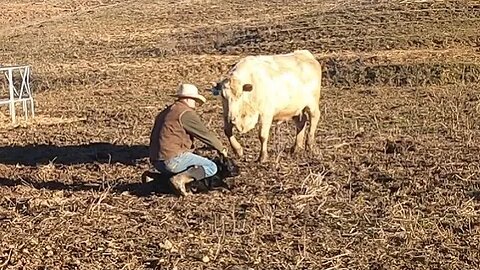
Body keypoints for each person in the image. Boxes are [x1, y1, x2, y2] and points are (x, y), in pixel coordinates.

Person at [148, 83, 228, 196]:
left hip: (156, 160)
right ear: (188, 99)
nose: (195, 103)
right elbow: (204, 134)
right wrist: (221, 149)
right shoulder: (185, 113)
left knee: (188, 165)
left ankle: (155, 178)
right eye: (195, 100)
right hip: (172, 160)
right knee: (211, 167)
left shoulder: (166, 112)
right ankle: (180, 179)